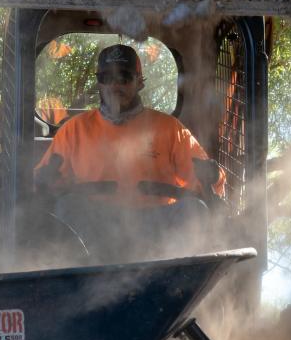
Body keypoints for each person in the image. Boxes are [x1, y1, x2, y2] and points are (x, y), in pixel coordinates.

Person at [34, 44, 224, 260]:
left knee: (195, 210)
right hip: (95, 227)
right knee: (65, 207)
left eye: (124, 77)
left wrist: (213, 175)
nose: (115, 84)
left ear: (139, 82)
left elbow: (209, 180)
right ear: (99, 82)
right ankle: (81, 277)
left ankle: (175, 277)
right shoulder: (74, 130)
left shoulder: (170, 129)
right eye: (107, 77)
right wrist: (44, 180)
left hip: (155, 226)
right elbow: (42, 181)